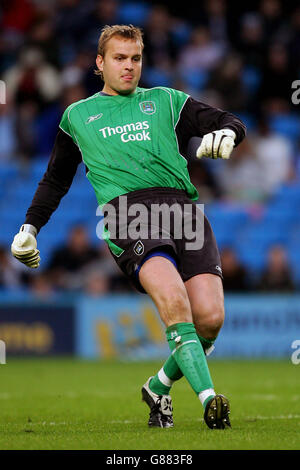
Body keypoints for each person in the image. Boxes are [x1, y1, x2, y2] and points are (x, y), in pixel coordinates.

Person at [11, 24, 246, 430]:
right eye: (119, 58)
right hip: (127, 214)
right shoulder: (78, 116)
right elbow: (55, 180)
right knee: (174, 301)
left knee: (209, 319)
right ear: (100, 64)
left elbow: (229, 120)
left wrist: (228, 133)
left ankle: (157, 387)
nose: (129, 66)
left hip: (184, 211)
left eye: (135, 58)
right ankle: (210, 401)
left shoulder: (167, 101)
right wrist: (30, 227)